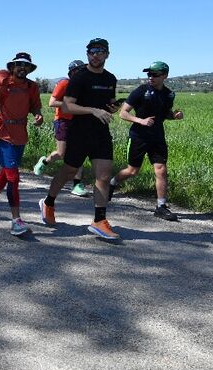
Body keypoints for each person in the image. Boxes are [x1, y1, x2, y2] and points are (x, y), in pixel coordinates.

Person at [38, 38, 120, 240]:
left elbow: (107, 103)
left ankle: (99, 220)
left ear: (107, 54)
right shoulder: (79, 78)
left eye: (100, 51)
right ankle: (48, 202)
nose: (95, 55)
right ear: (87, 54)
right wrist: (93, 110)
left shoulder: (110, 79)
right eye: (92, 51)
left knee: (103, 175)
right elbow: (66, 106)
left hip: (101, 133)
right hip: (79, 132)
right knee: (69, 171)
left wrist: (112, 108)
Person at [0, 52, 43, 235]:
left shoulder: (32, 87)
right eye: (18, 64)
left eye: (26, 65)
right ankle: (16, 220)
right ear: (12, 67)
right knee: (13, 177)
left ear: (30, 69)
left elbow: (35, 106)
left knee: (7, 173)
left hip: (20, 135)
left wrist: (38, 114)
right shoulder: (2, 86)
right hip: (2, 134)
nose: (22, 68)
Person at [109, 61, 183, 221]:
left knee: (161, 169)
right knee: (132, 171)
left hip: (157, 137)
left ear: (164, 76)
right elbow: (123, 113)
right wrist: (141, 121)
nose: (150, 77)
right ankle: (112, 183)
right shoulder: (140, 91)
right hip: (138, 137)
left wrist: (174, 116)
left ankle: (161, 206)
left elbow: (165, 114)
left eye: (154, 74)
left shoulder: (169, 94)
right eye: (149, 74)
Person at [33, 60, 90, 197]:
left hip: (78, 121)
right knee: (61, 153)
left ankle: (77, 184)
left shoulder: (84, 86)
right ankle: (44, 161)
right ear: (72, 72)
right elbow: (52, 102)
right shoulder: (64, 83)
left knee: (78, 152)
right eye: (79, 70)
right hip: (62, 121)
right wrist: (70, 105)